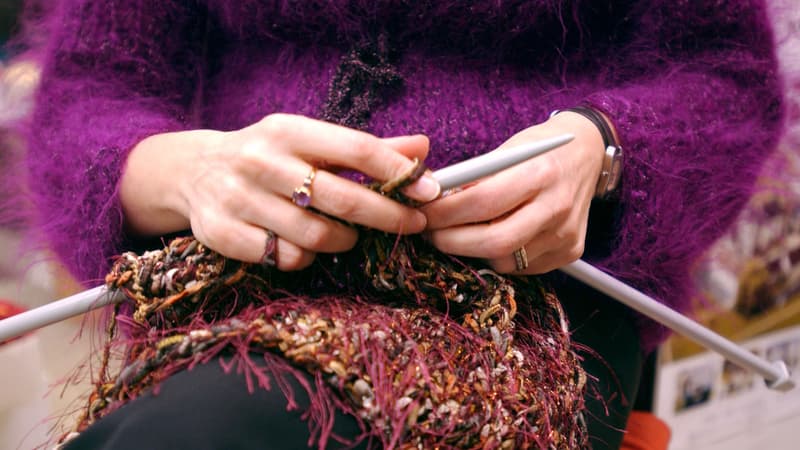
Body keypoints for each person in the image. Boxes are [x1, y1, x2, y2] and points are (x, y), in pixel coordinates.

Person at [20, 1, 784, 449]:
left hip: (525, 302)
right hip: (238, 284)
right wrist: (179, 171)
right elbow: (89, 95)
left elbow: (722, 82)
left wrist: (607, 149)